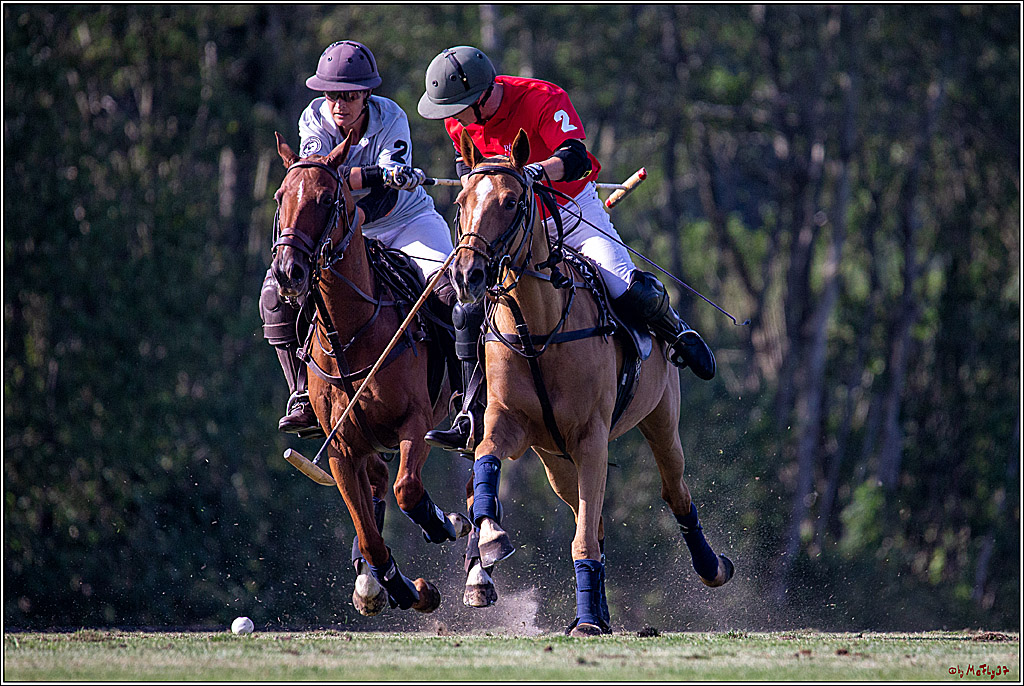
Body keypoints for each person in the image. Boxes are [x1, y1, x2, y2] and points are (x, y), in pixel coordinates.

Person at [416, 45, 716, 452]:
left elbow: (576, 159)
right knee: (467, 309)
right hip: (508, 230)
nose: (450, 118)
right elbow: (465, 164)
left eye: (457, 108)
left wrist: (537, 171)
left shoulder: (542, 98)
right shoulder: (458, 119)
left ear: (482, 96)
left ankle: (675, 330)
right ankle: (469, 411)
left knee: (625, 286)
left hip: (571, 212)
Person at [261, 40, 456, 435]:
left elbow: (386, 196)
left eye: (349, 96)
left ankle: (467, 399)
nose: (339, 105)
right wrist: (371, 177)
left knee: (452, 294)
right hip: (342, 228)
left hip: (406, 221)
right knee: (274, 297)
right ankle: (302, 394)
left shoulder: (391, 118)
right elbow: (316, 174)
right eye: (331, 95)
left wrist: (386, 177)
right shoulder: (313, 119)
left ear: (367, 95)